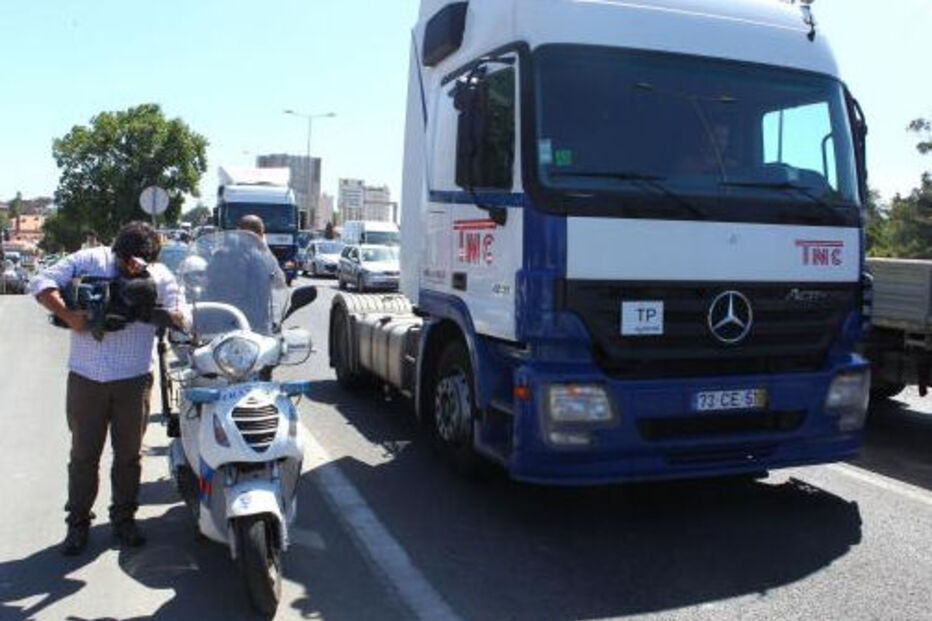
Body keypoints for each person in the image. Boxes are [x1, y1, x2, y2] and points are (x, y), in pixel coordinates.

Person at [30, 221, 188, 555]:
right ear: (117, 251)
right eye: (127, 261)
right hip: (86, 377)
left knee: (129, 456)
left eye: (140, 264)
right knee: (83, 456)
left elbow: (183, 314)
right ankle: (77, 525)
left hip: (134, 379)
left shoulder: (160, 276)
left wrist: (165, 314)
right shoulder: (88, 260)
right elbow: (41, 282)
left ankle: (124, 520)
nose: (133, 268)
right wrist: (69, 315)